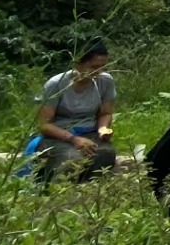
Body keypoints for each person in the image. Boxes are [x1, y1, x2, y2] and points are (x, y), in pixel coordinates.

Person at [29, 40, 117, 183]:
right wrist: (73, 139)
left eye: (103, 67)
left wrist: (103, 128)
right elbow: (44, 124)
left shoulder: (106, 81)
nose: (98, 72)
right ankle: (56, 190)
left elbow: (105, 113)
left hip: (89, 133)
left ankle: (88, 190)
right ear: (77, 64)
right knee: (72, 159)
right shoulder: (56, 84)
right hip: (57, 136)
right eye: (94, 67)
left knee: (105, 154)